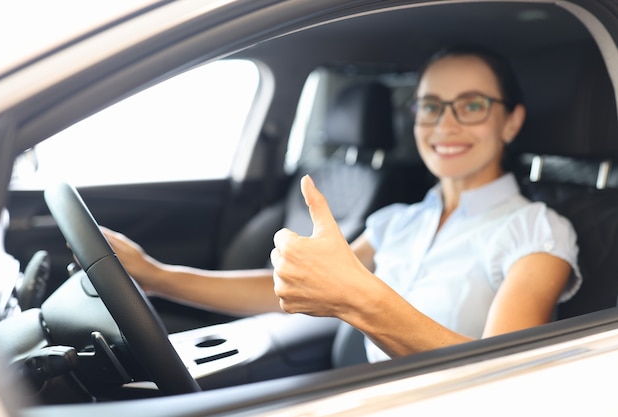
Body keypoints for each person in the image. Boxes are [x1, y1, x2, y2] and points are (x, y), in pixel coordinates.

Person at [102, 45, 581, 363]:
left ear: (511, 122)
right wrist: (157, 275)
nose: (445, 125)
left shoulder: (537, 231)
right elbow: (291, 292)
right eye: (431, 106)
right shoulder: (397, 222)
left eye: (471, 105)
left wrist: (358, 297)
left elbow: (505, 374)